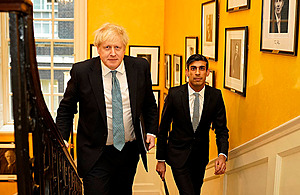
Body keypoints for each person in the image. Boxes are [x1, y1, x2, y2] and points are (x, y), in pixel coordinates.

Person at [56, 23, 158, 195]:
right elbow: (66, 108)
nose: (112, 53)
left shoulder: (140, 67)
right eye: (107, 47)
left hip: (128, 151)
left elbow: (149, 104)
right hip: (95, 153)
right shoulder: (82, 71)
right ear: (98, 49)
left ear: (125, 48)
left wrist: (152, 131)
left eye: (117, 47)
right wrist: (63, 139)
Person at [156, 54, 229, 195]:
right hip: (177, 156)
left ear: (207, 72)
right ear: (187, 72)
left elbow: (221, 130)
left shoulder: (215, 96)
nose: (197, 73)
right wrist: (161, 159)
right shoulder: (174, 94)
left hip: (200, 157)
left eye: (201, 69)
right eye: (193, 68)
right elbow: (163, 129)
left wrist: (222, 155)